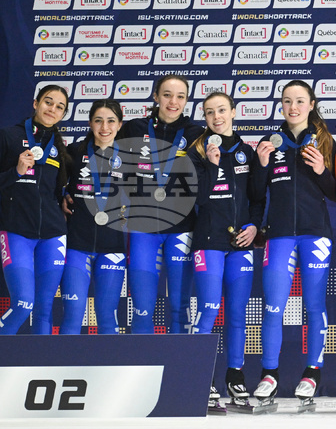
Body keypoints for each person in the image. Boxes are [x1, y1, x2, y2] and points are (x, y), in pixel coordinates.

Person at [253, 80, 336, 411]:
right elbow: (257, 194)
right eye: (287, 101)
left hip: (316, 234)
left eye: (300, 101)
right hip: (279, 236)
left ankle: (312, 373)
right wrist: (260, 167)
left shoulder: (326, 142)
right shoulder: (269, 142)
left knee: (315, 306)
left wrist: (320, 170)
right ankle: (269, 375)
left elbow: (335, 194)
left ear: (312, 104)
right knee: (273, 305)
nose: (293, 107)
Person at [189, 92, 265, 412]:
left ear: (234, 112)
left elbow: (258, 197)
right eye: (209, 113)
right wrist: (210, 164)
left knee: (236, 313)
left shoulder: (246, 152)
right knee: (208, 310)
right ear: (204, 117)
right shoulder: (194, 153)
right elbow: (197, 201)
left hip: (240, 245)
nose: (216, 117)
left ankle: (235, 376)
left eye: (222, 110)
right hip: (208, 242)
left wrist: (255, 227)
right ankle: (200, 377)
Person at [120, 73, 203, 334]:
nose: (173, 102)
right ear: (156, 97)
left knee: (179, 307)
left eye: (180, 96)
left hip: (182, 228)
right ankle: (142, 371)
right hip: (143, 228)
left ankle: (181, 372)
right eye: (167, 95)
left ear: (187, 100)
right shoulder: (133, 128)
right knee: (142, 307)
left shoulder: (196, 134)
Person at [0, 85, 70, 335]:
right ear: (35, 103)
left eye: (59, 106)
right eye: (48, 102)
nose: (52, 109)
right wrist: (15, 172)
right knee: (22, 303)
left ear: (63, 114)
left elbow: (57, 190)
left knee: (43, 309)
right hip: (17, 231)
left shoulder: (60, 148)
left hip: (53, 235)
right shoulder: (7, 136)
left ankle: (41, 365)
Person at [61, 100, 127, 335]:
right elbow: (54, 185)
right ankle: (64, 369)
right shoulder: (74, 153)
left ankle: (107, 372)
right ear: (90, 123)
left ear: (120, 124)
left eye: (111, 121)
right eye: (98, 120)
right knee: (73, 313)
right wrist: (62, 196)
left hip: (114, 247)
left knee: (107, 316)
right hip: (76, 245)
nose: (104, 127)